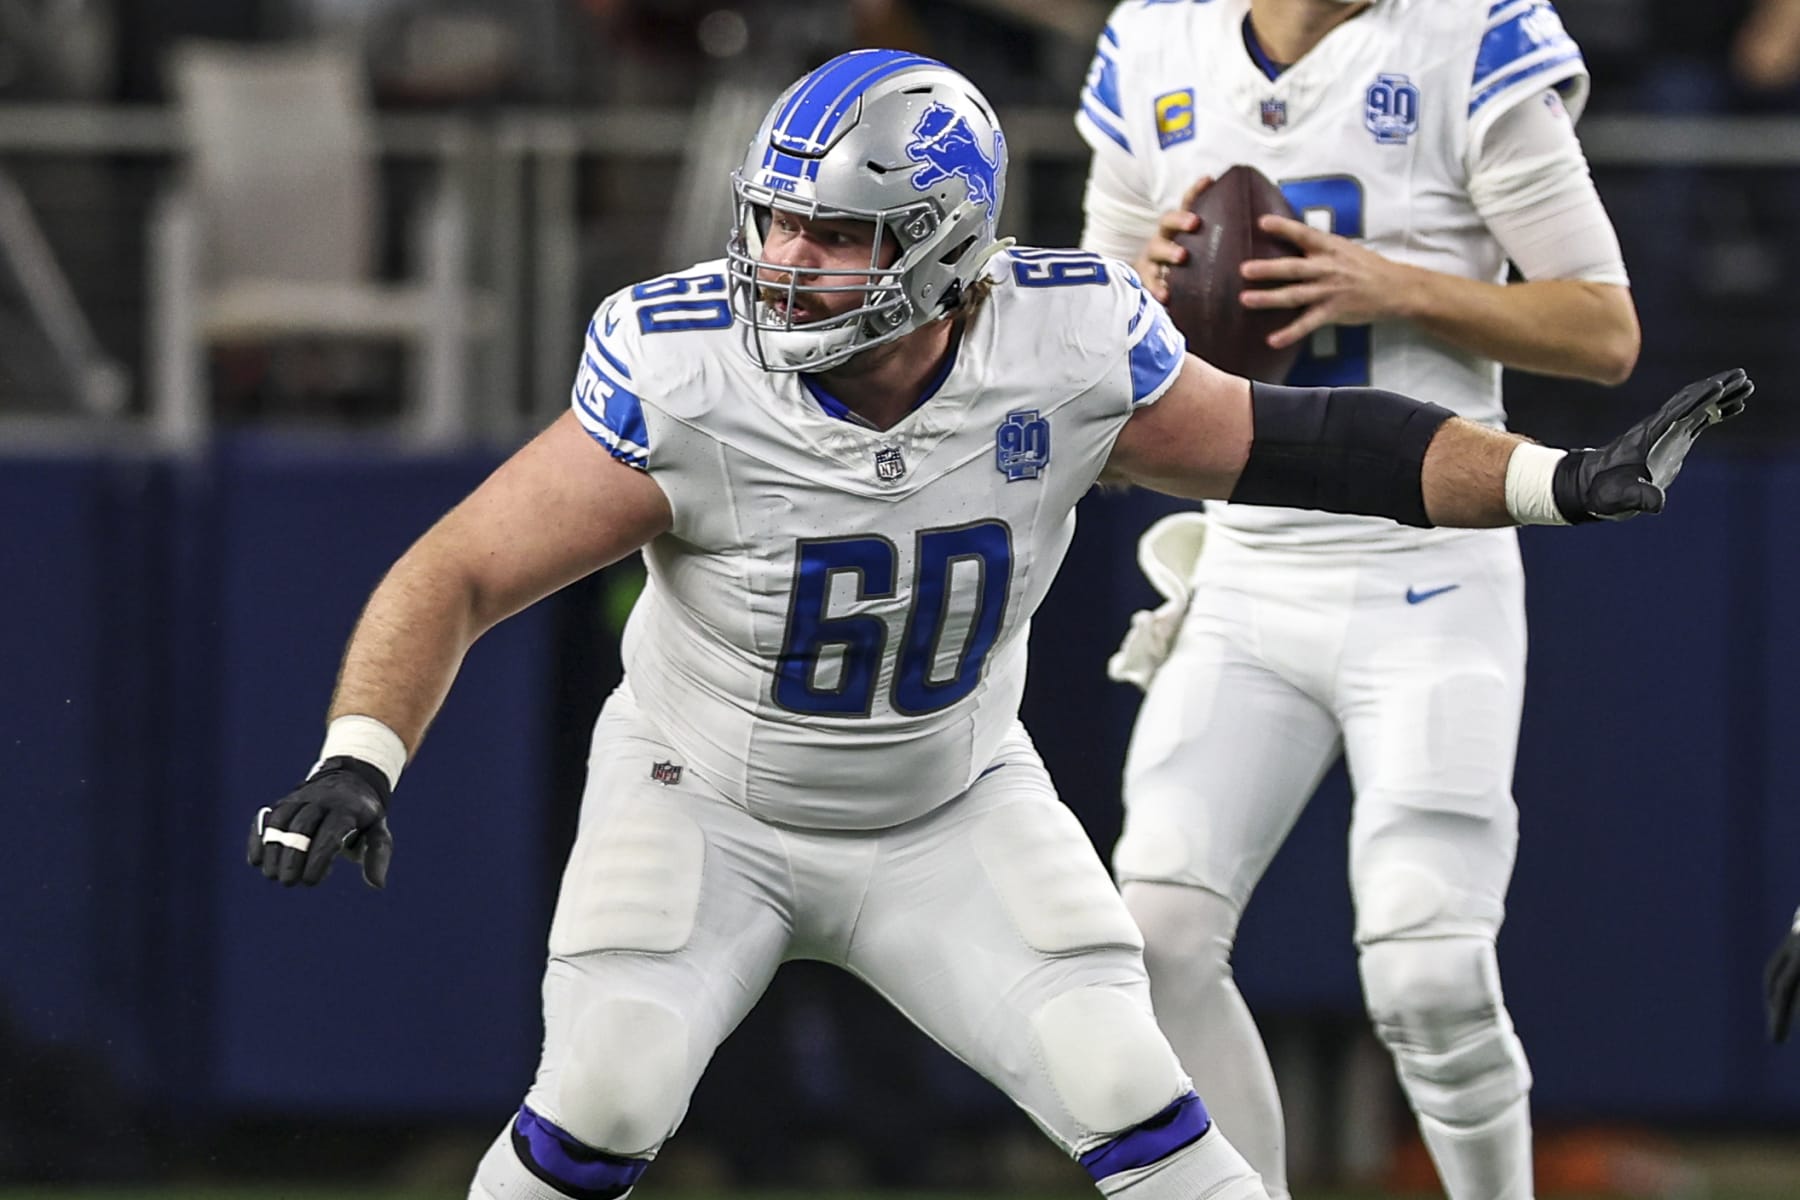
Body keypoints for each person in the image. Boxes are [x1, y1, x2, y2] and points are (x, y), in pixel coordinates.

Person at [245, 48, 1745, 1200]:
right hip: (704, 800)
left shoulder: (1066, 342)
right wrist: (359, 753)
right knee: (609, 1094)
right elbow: (457, 570)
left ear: (939, 248)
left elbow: (1316, 441)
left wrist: (1557, 482)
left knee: (1137, 1096)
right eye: (775, 227)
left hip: (950, 805)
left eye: (834, 239)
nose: (785, 266)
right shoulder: (686, 366)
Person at [1075, 3, 1645, 1198]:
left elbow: (1603, 330)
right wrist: (1150, 281)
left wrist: (1393, 285)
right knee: (1156, 939)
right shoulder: (1158, 38)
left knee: (1429, 974)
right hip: (1247, 565)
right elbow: (1094, 312)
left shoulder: (1470, 38)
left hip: (1426, 571)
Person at [1767, 906, 1800, 1043]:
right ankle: (1777, 1027)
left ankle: (1778, 1034)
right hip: (1794, 935)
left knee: (1784, 985)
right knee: (1772, 975)